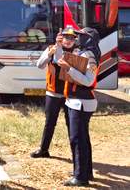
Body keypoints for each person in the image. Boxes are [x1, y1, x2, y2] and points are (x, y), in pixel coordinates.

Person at [57, 27, 100, 187]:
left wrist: (69, 68)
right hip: (78, 101)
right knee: (83, 138)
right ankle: (85, 171)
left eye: (81, 35)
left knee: (77, 139)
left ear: (89, 39)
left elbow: (88, 80)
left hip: (81, 102)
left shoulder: (88, 55)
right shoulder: (84, 53)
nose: (78, 37)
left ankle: (81, 176)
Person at [31, 26, 77, 158]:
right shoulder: (51, 48)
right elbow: (39, 65)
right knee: (49, 122)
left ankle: (75, 153)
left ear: (75, 39)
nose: (68, 40)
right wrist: (50, 53)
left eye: (71, 38)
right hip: (53, 92)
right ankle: (43, 150)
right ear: (60, 37)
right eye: (65, 37)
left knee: (72, 124)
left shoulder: (77, 51)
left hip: (70, 94)